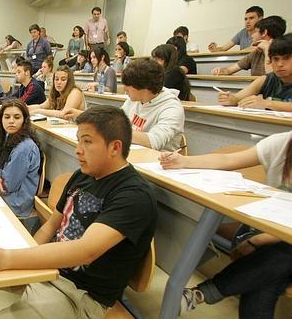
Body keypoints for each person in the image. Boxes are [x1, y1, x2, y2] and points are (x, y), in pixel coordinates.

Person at [0, 105, 156, 319]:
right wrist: (22, 257)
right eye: (78, 140)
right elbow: (52, 225)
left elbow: (85, 251)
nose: (78, 149)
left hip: (78, 294)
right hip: (50, 271)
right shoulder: (83, 176)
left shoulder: (134, 195)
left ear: (115, 147)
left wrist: (6, 258)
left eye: (87, 141)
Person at [158, 131, 292, 318]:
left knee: (281, 256)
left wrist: (259, 240)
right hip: (263, 232)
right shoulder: (283, 143)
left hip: (271, 242)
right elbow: (228, 160)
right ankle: (198, 294)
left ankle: (201, 293)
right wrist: (183, 161)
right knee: (269, 276)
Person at [0, 100, 41, 217]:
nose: (11, 121)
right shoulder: (9, 136)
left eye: (17, 117)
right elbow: (0, 167)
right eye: (7, 117)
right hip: (9, 195)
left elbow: (6, 186)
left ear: (24, 120)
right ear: (1, 119)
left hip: (16, 202)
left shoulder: (23, 148)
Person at [121, 58, 185, 151]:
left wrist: (117, 130)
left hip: (157, 162)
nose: (124, 89)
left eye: (128, 85)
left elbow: (154, 142)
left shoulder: (172, 109)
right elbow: (118, 119)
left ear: (144, 87)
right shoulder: (133, 100)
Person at [218, 33, 292, 111]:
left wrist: (266, 103)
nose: (280, 64)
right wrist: (229, 99)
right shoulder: (266, 79)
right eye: (275, 59)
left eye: (286, 58)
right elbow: (237, 98)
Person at [212, 16, 287, 76]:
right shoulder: (256, 52)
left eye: (256, 32)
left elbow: (273, 79)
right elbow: (229, 70)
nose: (252, 35)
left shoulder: (284, 53)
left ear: (264, 32)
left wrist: (267, 48)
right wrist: (221, 70)